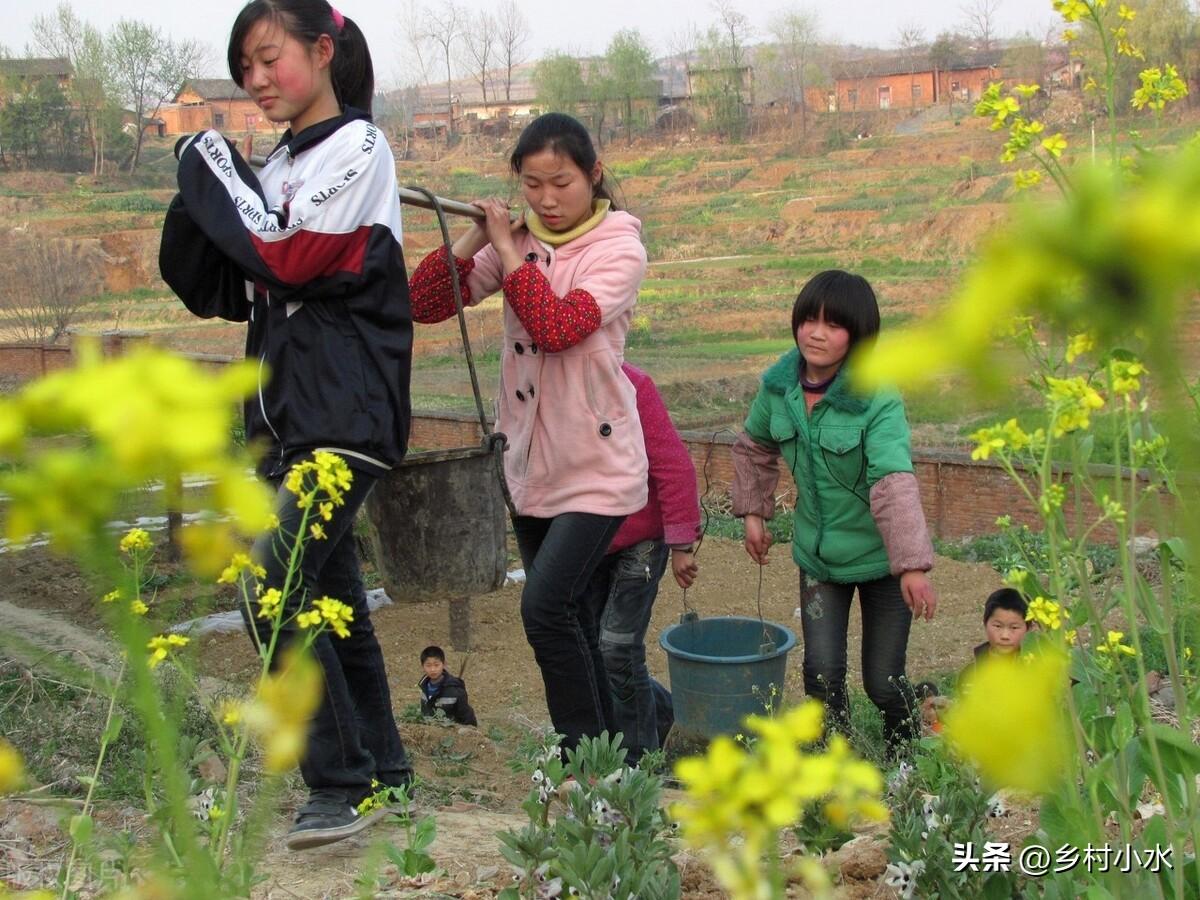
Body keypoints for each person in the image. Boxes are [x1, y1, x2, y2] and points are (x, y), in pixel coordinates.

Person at [159, 0, 413, 850]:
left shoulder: (359, 150)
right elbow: (224, 287)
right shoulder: (275, 170)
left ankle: (340, 785)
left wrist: (221, 174)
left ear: (323, 50)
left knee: (271, 582)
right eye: (246, 70)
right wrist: (205, 186)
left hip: (346, 413)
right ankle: (387, 777)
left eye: (272, 60)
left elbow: (284, 256)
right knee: (334, 600)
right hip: (284, 419)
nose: (259, 82)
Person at [409, 112, 649, 753]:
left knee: (543, 611)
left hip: (598, 467)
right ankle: (618, 759)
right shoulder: (518, 240)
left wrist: (511, 251)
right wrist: (470, 240)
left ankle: (582, 756)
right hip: (529, 463)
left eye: (562, 183)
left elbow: (558, 325)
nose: (546, 199)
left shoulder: (619, 247)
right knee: (575, 618)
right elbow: (423, 303)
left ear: (594, 175)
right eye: (532, 184)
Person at [731, 269, 938, 756]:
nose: (816, 333)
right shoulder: (779, 387)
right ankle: (835, 767)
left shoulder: (876, 396)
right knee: (821, 677)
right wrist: (754, 514)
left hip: (881, 561)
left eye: (833, 325)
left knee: (884, 682)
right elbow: (754, 447)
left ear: (859, 335)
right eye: (808, 320)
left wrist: (911, 565)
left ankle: (907, 761)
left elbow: (892, 479)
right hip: (818, 561)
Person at [583, 363, 701, 766]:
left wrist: (682, 544)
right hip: (586, 538)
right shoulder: (550, 389)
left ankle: (639, 760)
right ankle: (666, 720)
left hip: (641, 538)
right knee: (592, 650)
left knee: (617, 646)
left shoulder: (634, 386)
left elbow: (673, 465)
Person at [418, 646, 478, 726]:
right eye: (428, 665)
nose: (432, 669)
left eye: (436, 665)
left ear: (444, 664)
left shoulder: (455, 690)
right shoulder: (424, 686)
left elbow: (468, 719)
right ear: (422, 666)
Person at [974, 588, 1030, 660]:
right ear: (985, 623)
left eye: (1014, 627)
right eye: (998, 626)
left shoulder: (1040, 666)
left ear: (1029, 628)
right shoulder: (974, 669)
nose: (1005, 636)